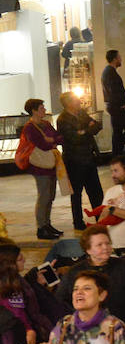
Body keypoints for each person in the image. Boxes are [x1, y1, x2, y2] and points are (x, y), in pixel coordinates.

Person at [58, 225, 125, 344]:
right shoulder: (75, 273)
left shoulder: (124, 266)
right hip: (88, 338)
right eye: (99, 245)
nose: (105, 248)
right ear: (88, 250)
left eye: (107, 243)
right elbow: (62, 302)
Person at [56, 91, 104, 235]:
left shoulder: (81, 113)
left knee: (96, 191)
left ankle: (100, 218)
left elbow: (97, 126)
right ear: (69, 103)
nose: (79, 102)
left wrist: (84, 131)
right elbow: (73, 138)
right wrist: (86, 130)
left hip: (89, 158)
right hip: (74, 160)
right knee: (76, 193)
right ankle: (78, 222)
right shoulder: (63, 119)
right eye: (76, 100)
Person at [19, 98, 63, 240]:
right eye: (42, 108)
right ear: (34, 110)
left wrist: (51, 140)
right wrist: (52, 141)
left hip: (50, 164)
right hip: (39, 166)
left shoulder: (46, 124)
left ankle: (47, 224)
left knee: (50, 195)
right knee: (44, 196)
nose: (44, 110)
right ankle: (41, 227)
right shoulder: (29, 127)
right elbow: (42, 144)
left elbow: (59, 138)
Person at [102, 49, 125, 157]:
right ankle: (117, 153)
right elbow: (113, 91)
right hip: (118, 108)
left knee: (119, 132)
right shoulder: (110, 73)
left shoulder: (109, 72)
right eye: (119, 57)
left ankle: (118, 154)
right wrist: (121, 105)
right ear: (115, 59)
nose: (121, 59)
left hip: (116, 107)